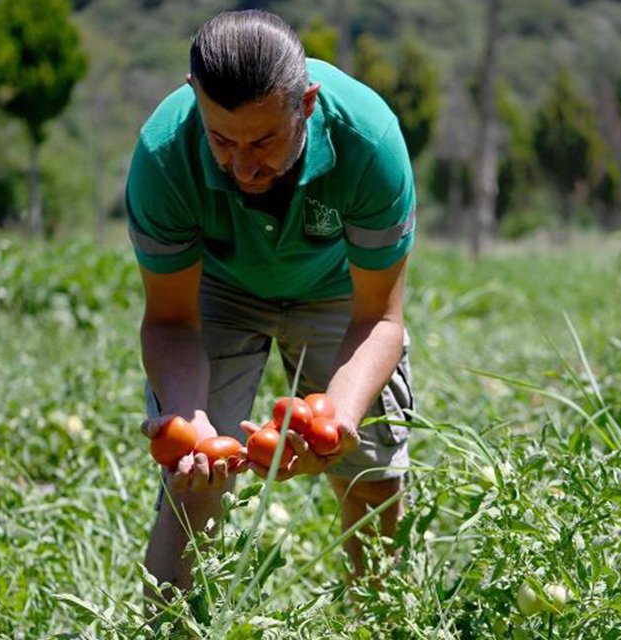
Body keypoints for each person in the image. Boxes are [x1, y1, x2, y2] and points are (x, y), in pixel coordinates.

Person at [124, 9, 417, 602]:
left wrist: (335, 422)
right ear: (194, 100)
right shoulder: (163, 155)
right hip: (219, 293)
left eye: (264, 140)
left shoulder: (369, 142)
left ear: (306, 102)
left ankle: (381, 617)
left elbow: (380, 319)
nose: (243, 165)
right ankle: (168, 624)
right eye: (222, 140)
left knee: (372, 477)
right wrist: (189, 422)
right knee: (192, 486)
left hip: (337, 290)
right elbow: (171, 321)